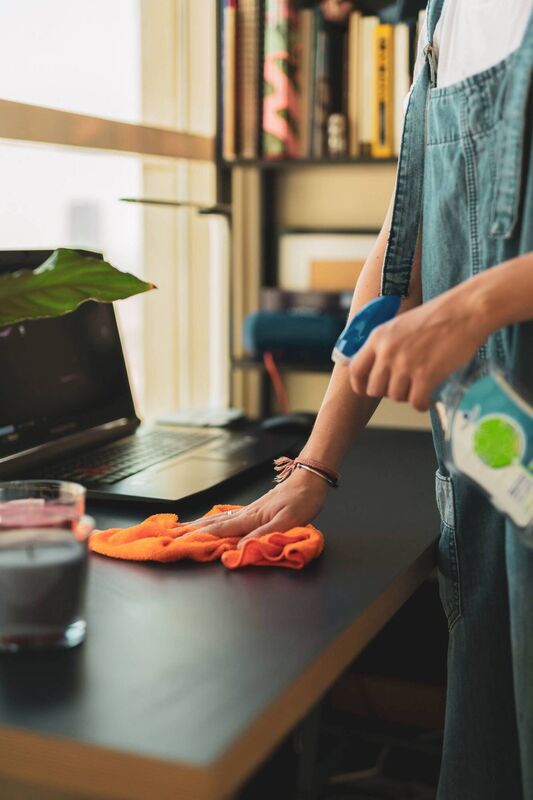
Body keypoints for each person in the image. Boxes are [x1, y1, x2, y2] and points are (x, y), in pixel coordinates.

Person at [189, 1, 533, 796]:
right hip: (491, 489)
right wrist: (313, 466)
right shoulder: (441, 18)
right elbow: (398, 252)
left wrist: (471, 306)